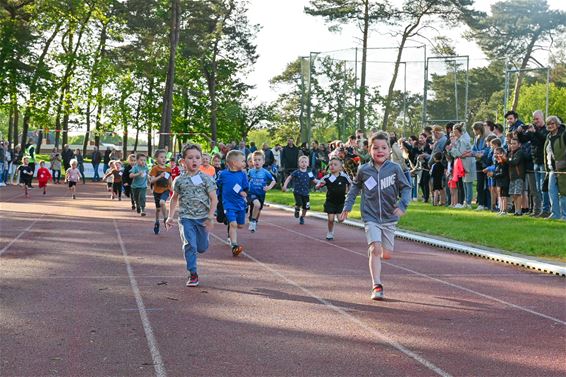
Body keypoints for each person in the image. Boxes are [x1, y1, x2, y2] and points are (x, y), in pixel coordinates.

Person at [340, 131, 411, 301]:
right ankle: (377, 285)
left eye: (384, 148)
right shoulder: (364, 170)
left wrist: (402, 205)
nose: (380, 151)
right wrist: (347, 207)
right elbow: (355, 188)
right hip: (370, 216)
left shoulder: (395, 169)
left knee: (387, 254)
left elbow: (407, 188)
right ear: (370, 149)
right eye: (376, 148)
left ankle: (378, 252)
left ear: (389, 150)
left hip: (389, 218)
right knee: (375, 249)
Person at [166, 143, 217, 287]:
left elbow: (214, 199)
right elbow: (174, 198)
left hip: (202, 218)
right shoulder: (179, 180)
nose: (194, 160)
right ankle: (193, 273)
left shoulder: (207, 179)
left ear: (201, 160)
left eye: (197, 157)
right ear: (183, 162)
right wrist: (170, 216)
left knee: (201, 247)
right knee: (189, 245)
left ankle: (204, 239)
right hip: (186, 218)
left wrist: (210, 217)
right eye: (190, 158)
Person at [216, 150, 249, 256]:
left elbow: (245, 188)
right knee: (233, 224)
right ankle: (234, 245)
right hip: (228, 203)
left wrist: (244, 192)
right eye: (243, 161)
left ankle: (230, 221)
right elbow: (217, 185)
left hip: (240, 204)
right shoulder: (223, 174)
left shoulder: (243, 175)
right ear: (234, 163)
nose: (245, 163)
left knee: (240, 225)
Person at [315, 157, 351, 240]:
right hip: (330, 201)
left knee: (340, 220)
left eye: (335, 165)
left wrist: (349, 191)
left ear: (340, 167)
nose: (332, 166)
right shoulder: (326, 177)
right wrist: (319, 185)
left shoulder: (344, 176)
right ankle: (330, 232)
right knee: (331, 219)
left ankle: (344, 213)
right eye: (330, 165)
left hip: (341, 202)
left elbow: (351, 184)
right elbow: (317, 186)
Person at [247, 150, 276, 233]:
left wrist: (269, 187)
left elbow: (273, 181)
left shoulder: (266, 172)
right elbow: (245, 181)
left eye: (259, 160)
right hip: (252, 193)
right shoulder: (250, 171)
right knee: (257, 204)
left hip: (261, 194)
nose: (257, 162)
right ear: (252, 162)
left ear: (263, 161)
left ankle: (253, 219)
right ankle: (252, 222)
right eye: (255, 160)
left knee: (258, 209)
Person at [282, 155, 317, 225]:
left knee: (306, 207)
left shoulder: (309, 173)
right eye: (302, 162)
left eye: (305, 162)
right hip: (297, 192)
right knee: (299, 203)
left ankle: (302, 217)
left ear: (308, 164)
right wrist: (285, 186)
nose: (304, 163)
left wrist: (322, 182)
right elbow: (289, 178)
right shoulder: (296, 172)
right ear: (299, 163)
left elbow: (315, 181)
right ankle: (297, 209)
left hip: (306, 193)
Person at [543, 115, 566, 220]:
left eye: (552, 123)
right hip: (552, 169)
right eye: (548, 124)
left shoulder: (564, 134)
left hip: (563, 169)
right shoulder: (548, 137)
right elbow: (547, 153)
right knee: (551, 191)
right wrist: (547, 169)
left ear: (557, 124)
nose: (550, 125)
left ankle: (564, 215)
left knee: (563, 192)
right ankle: (555, 214)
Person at [149, 149, 172, 234]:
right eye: (161, 157)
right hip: (157, 191)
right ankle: (157, 221)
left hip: (166, 190)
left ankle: (166, 218)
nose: (164, 159)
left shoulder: (169, 169)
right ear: (156, 159)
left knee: (162, 202)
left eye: (165, 157)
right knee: (158, 209)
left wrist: (172, 188)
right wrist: (160, 176)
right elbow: (151, 181)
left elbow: (170, 179)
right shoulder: (155, 169)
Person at [508, 138, 527, 216]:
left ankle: (519, 211)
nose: (512, 145)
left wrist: (505, 160)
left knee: (518, 194)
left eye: (514, 143)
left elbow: (515, 162)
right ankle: (516, 210)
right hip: (512, 176)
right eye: (511, 143)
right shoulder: (510, 153)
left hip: (519, 176)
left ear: (519, 144)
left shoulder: (520, 152)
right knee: (513, 195)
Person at [493, 147, 510, 215]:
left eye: (497, 153)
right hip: (499, 182)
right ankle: (501, 209)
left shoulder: (503, 162)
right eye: (495, 153)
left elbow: (503, 173)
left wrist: (493, 175)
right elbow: (496, 170)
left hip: (504, 181)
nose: (496, 155)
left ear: (502, 154)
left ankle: (504, 210)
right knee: (501, 196)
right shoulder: (497, 162)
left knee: (504, 196)